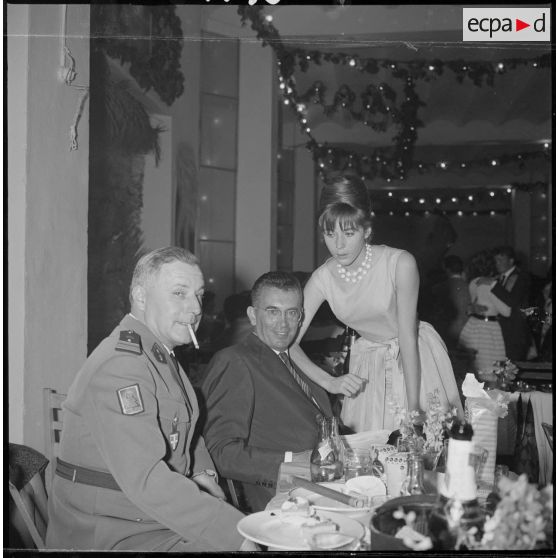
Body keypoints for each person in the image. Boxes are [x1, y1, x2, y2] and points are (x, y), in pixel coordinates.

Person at [46, 247, 254, 552]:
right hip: (111, 529)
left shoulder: (156, 353)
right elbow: (146, 478)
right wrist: (236, 536)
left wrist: (200, 471)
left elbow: (184, 425)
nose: (196, 308)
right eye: (179, 293)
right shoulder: (123, 365)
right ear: (141, 297)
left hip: (143, 515)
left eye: (198, 295)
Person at [288, 175, 464, 433]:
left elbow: (407, 335)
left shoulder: (400, 263)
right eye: (329, 233)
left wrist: (414, 407)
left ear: (367, 230)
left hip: (414, 357)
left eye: (349, 233)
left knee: (424, 450)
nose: (338, 245)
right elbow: (288, 342)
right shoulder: (322, 279)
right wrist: (329, 382)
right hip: (368, 367)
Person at [200, 272, 333, 513]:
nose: (283, 324)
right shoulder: (235, 362)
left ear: (301, 317)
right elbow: (221, 451)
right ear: (252, 315)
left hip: (324, 486)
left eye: (291, 313)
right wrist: (296, 464)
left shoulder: (297, 362)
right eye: (272, 312)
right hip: (282, 500)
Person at [458, 250, 511, 373]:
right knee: (491, 368)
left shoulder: (473, 282)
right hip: (488, 329)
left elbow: (473, 303)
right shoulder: (489, 285)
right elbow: (506, 311)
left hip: (473, 326)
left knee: (475, 366)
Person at [489, 246, 532, 361]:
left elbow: (512, 301)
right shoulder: (497, 278)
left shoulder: (522, 277)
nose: (497, 264)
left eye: (501, 260)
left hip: (515, 333)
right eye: (496, 260)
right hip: (499, 333)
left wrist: (493, 285)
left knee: (512, 368)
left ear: (511, 261)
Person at [430, 255, 471, 348]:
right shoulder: (470, 285)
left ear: (446, 269)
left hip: (449, 330)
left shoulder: (440, 288)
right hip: (468, 330)